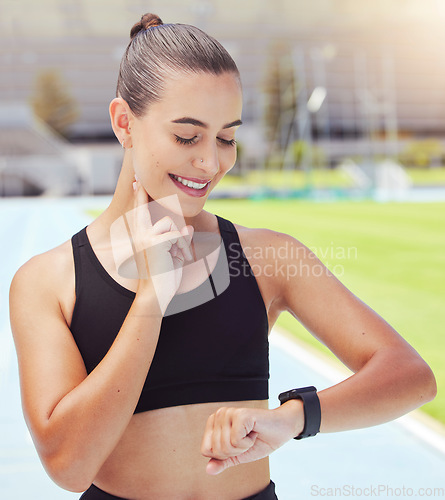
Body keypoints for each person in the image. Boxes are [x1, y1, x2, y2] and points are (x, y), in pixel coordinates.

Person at [9, 13, 436, 500]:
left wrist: (290, 419)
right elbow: (67, 466)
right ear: (124, 122)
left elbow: (410, 376)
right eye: (187, 136)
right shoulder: (48, 281)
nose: (210, 163)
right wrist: (152, 298)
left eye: (227, 138)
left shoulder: (264, 257)